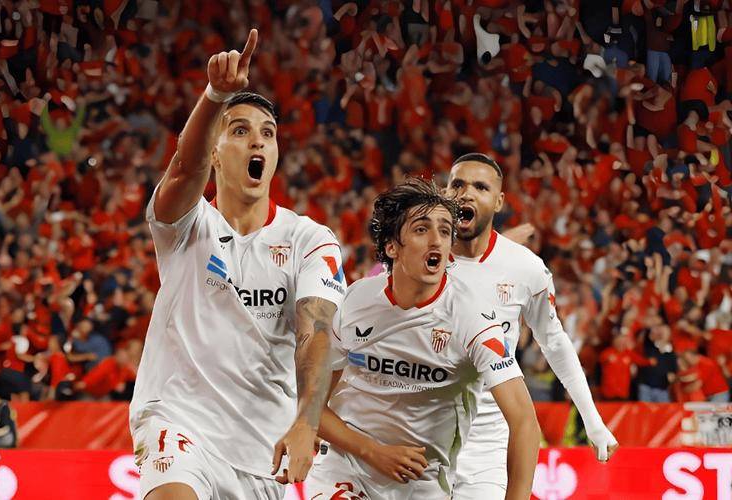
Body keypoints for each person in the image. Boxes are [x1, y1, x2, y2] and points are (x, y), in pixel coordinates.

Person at [129, 29, 345, 500]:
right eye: (240, 131)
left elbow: (316, 332)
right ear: (215, 152)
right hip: (178, 421)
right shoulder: (185, 225)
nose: (257, 143)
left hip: (259, 449)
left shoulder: (310, 240)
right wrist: (215, 97)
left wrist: (308, 421)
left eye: (267, 134)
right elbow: (184, 169)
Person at [305, 179, 539, 499]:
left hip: (423, 481)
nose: (436, 240)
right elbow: (311, 402)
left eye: (444, 231)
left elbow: (524, 422)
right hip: (347, 466)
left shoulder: (473, 317)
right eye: (421, 229)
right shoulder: (356, 301)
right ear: (392, 247)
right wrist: (373, 451)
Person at [446, 153, 618, 500]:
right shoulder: (418, 259)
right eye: (457, 185)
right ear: (444, 193)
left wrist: (592, 419)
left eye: (480, 187)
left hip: (486, 439)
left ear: (499, 201)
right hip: (421, 428)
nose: (466, 193)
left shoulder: (526, 268)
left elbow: (554, 342)